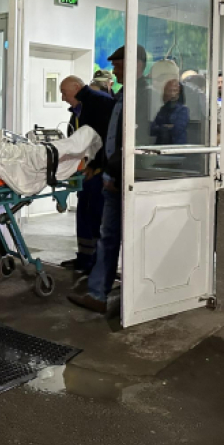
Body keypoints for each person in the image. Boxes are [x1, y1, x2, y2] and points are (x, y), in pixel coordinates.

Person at [67, 44, 150, 314]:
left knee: (124, 237)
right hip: (114, 174)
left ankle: (126, 295)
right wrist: (100, 165)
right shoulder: (124, 95)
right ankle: (99, 293)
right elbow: (111, 137)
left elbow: (136, 141)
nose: (114, 70)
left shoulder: (143, 96)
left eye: (118, 64)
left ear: (136, 64)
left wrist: (114, 171)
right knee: (109, 236)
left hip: (128, 177)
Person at [59, 75, 105, 273]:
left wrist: (95, 165)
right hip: (84, 172)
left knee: (96, 217)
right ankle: (85, 258)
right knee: (84, 215)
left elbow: (104, 140)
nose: (62, 98)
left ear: (76, 88)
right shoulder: (77, 113)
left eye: (64, 92)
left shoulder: (97, 108)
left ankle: (97, 263)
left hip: (98, 173)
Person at [151, 78, 189, 145]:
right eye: (169, 90)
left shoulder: (183, 110)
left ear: (179, 93)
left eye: (175, 90)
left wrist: (162, 127)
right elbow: (152, 130)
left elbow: (177, 130)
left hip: (176, 146)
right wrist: (167, 127)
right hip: (161, 145)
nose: (172, 93)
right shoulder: (163, 109)